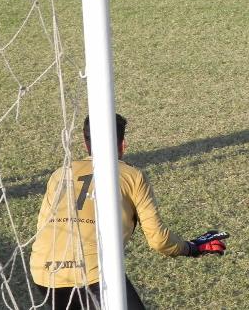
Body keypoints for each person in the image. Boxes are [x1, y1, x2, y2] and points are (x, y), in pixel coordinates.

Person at [30, 114, 229, 309]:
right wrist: (192, 248)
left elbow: (42, 227)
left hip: (44, 273)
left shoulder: (60, 173)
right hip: (93, 274)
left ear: (85, 141)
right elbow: (159, 241)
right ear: (123, 143)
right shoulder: (132, 176)